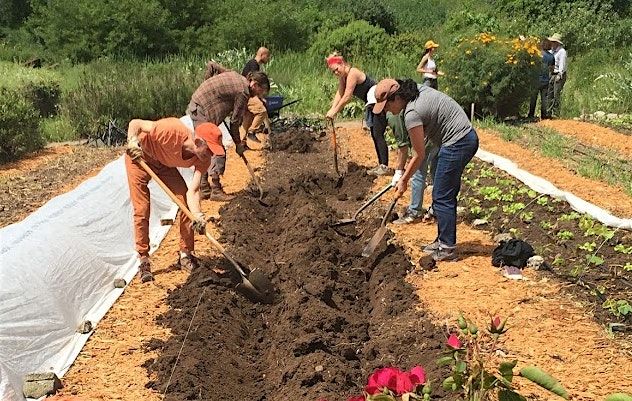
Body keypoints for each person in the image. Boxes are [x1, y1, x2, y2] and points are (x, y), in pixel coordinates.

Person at [373, 78, 479, 261]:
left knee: (442, 195)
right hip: (458, 138)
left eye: (387, 105)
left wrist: (404, 179)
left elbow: (419, 154)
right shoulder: (416, 91)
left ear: (397, 97)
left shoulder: (412, 113)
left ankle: (447, 248)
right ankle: (442, 241)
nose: (386, 110)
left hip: (458, 142)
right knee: (443, 192)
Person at [125, 118, 225, 282]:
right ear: (198, 141)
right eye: (209, 150)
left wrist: (197, 215)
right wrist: (132, 141)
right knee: (142, 208)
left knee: (185, 203)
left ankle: (185, 254)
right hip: (139, 158)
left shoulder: (203, 159)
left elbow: (193, 190)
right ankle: (143, 260)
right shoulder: (171, 130)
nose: (211, 155)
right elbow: (135, 123)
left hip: (163, 164)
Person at [186, 66, 270, 201]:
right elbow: (234, 122)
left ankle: (204, 187)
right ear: (254, 84)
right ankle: (215, 189)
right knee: (216, 149)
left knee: (205, 147)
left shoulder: (238, 78)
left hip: (198, 105)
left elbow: (213, 67)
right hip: (202, 109)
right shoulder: (243, 92)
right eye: (261, 91)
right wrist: (238, 144)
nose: (260, 95)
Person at [325, 53, 390, 176]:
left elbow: (347, 96)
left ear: (342, 64)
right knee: (374, 134)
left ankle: (385, 167)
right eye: (333, 72)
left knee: (378, 133)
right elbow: (340, 93)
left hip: (378, 102)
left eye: (336, 70)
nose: (336, 73)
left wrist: (335, 111)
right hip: (370, 104)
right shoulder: (343, 77)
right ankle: (381, 165)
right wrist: (332, 109)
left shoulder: (353, 73)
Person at [241, 47, 272, 145]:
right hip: (247, 93)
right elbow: (254, 84)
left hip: (244, 93)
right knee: (261, 111)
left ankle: (242, 143)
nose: (268, 59)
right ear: (263, 55)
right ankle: (252, 132)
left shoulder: (252, 64)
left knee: (248, 118)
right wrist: (261, 98)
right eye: (268, 56)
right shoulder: (254, 65)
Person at [528, 38, 555, 120]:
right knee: (544, 98)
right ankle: (544, 115)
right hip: (545, 80)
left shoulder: (536, 54)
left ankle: (531, 114)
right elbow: (551, 69)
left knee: (533, 98)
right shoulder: (551, 57)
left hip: (535, 79)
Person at [547, 33, 567, 117]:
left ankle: (556, 113)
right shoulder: (552, 51)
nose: (552, 44)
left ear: (557, 43)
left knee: (556, 94)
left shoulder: (562, 52)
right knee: (549, 93)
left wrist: (560, 74)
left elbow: (562, 64)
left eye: (553, 42)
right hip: (552, 74)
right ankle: (548, 112)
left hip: (558, 74)